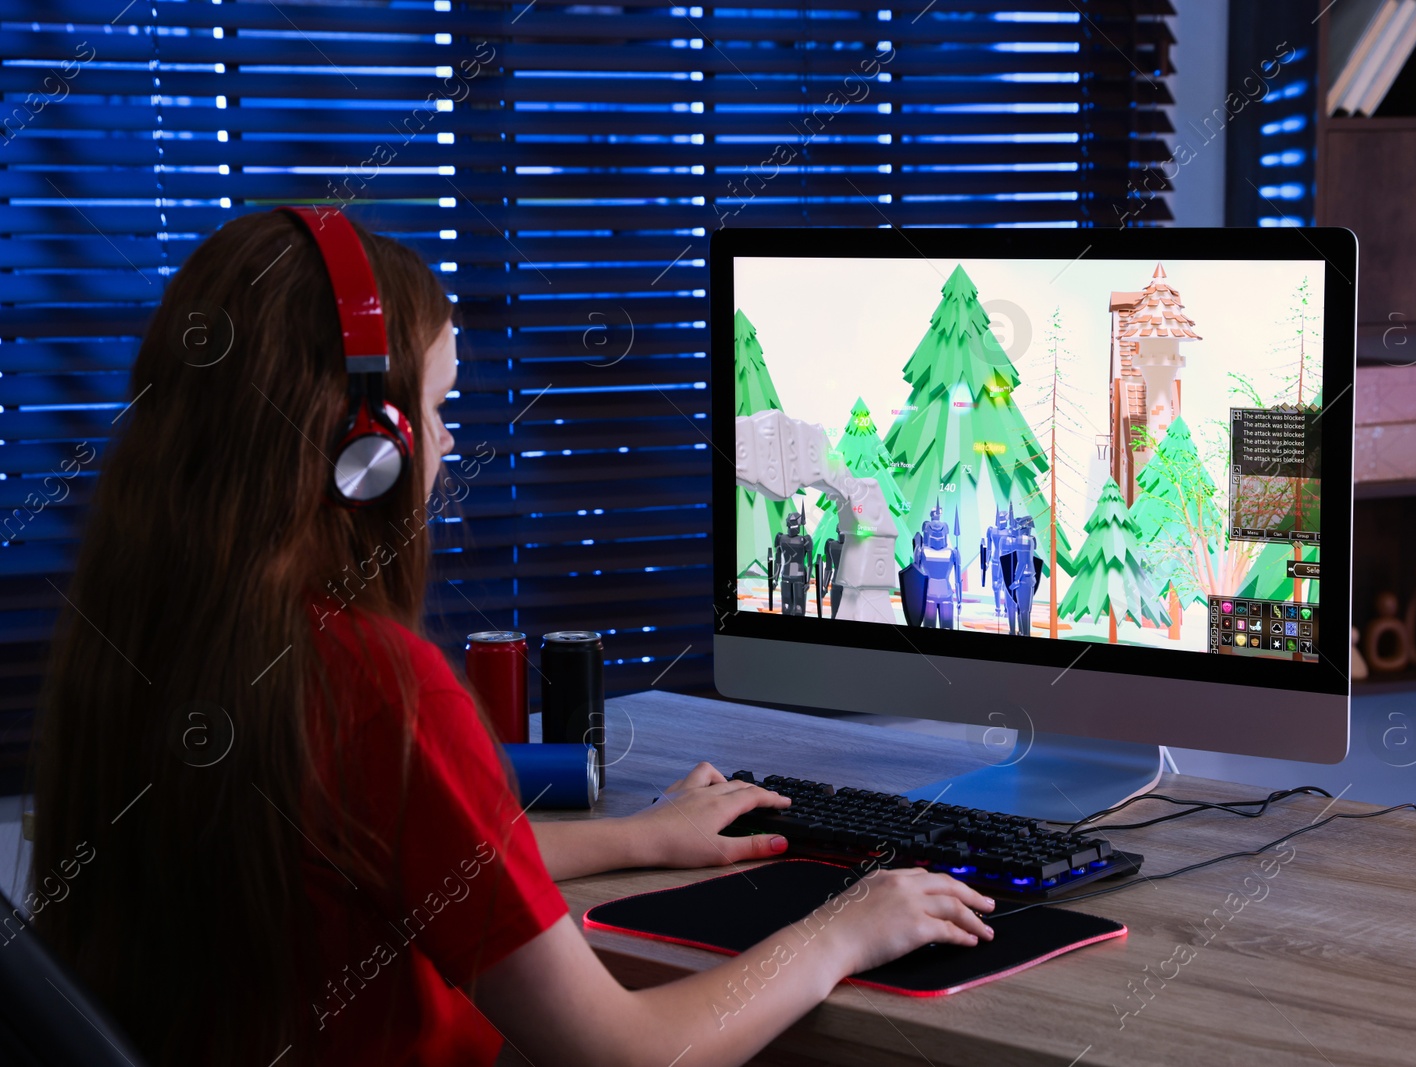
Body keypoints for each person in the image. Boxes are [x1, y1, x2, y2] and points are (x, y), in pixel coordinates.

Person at [28, 209, 994, 1067]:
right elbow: (625, 1052)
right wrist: (841, 930)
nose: (446, 443)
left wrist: (637, 836)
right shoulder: (372, 683)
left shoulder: (142, 640)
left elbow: (387, 855)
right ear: (366, 445)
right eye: (439, 409)